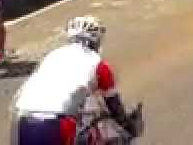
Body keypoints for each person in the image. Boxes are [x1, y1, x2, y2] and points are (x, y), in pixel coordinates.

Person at [10, 16, 139, 144]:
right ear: (96, 41)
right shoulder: (98, 64)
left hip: (21, 116)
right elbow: (114, 105)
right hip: (58, 121)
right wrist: (129, 127)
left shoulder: (52, 55)